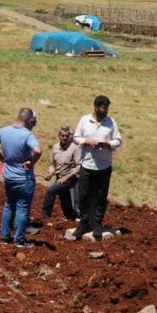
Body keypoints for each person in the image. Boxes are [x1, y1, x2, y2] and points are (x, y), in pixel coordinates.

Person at [0, 108, 42, 247]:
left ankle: (5, 237)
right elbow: (38, 150)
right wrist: (32, 162)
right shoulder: (27, 135)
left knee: (9, 206)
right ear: (29, 120)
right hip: (24, 178)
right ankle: (19, 240)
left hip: (9, 177)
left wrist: (1, 157)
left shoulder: (4, 130)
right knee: (22, 208)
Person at [72, 95, 122, 241]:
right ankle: (84, 223)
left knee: (101, 196)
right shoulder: (84, 120)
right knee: (84, 195)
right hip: (87, 165)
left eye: (107, 108)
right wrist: (86, 141)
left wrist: (108, 144)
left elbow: (118, 140)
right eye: (103, 108)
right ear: (95, 107)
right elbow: (75, 137)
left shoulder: (111, 122)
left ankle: (97, 224)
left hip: (104, 166)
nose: (105, 111)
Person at [42, 125, 80, 221]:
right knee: (65, 198)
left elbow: (79, 166)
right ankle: (70, 216)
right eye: (62, 136)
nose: (64, 138)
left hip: (70, 178)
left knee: (51, 190)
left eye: (67, 136)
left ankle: (45, 216)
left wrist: (65, 178)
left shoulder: (75, 148)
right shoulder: (55, 147)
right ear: (59, 135)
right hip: (59, 177)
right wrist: (50, 174)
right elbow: (52, 164)